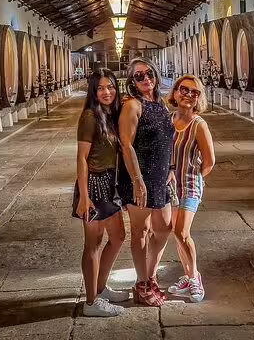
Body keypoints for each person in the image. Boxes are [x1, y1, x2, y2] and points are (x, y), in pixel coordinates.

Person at [118, 58, 175, 306]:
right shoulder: (133, 105)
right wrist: (137, 180)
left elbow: (166, 139)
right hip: (140, 176)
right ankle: (142, 284)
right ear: (132, 82)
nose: (145, 78)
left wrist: (170, 167)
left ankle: (151, 276)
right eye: (138, 76)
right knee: (140, 230)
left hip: (160, 176)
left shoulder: (160, 103)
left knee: (164, 227)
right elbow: (126, 144)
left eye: (148, 73)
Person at [73, 69, 129, 317]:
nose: (107, 92)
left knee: (118, 237)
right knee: (93, 245)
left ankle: (100, 287)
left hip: (109, 184)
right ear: (94, 92)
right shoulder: (90, 116)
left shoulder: (111, 114)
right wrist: (84, 196)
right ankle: (91, 302)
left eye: (111, 87)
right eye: (102, 88)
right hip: (94, 185)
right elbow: (81, 159)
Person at [166, 75, 215, 303]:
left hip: (190, 186)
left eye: (194, 92)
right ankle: (186, 276)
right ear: (175, 93)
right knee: (176, 233)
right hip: (170, 188)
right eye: (184, 90)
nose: (188, 95)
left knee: (182, 232)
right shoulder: (168, 120)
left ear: (198, 99)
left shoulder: (199, 125)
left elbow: (210, 161)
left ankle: (195, 277)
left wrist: (194, 178)